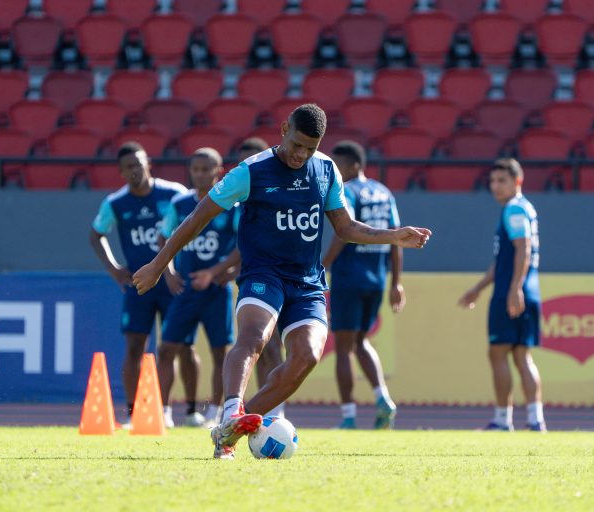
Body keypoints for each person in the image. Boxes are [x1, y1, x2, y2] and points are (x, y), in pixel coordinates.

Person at [132, 104, 431, 459]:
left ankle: (232, 428)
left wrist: (393, 236)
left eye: (311, 147)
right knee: (254, 338)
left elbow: (346, 228)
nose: (301, 154)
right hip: (264, 275)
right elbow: (199, 216)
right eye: (297, 144)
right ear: (284, 128)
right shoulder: (251, 172)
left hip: (307, 282)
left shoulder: (326, 170)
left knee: (307, 355)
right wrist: (158, 263)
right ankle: (230, 409)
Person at [89, 142, 189, 427]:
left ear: (149, 163)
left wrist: (180, 265)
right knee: (135, 347)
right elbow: (96, 235)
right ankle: (134, 414)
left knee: (179, 346)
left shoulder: (174, 195)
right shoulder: (116, 203)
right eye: (129, 166)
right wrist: (114, 269)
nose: (136, 169)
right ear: (121, 171)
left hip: (172, 282)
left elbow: (194, 223)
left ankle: (172, 411)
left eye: (139, 163)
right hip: (139, 285)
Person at [458, 158, 546, 432]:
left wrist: (513, 289)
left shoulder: (514, 209)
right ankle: (535, 420)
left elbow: (523, 250)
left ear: (517, 182)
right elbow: (504, 260)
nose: (495, 186)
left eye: (502, 181)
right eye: (492, 181)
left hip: (513, 292)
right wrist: (478, 288)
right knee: (522, 356)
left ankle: (502, 420)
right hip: (527, 291)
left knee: (498, 354)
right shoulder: (526, 208)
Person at [322, 140, 403, 430]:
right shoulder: (384, 192)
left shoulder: (349, 191)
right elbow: (396, 238)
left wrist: (321, 266)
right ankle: (383, 397)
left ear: (354, 165)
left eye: (339, 166)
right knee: (360, 341)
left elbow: (345, 231)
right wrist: (397, 283)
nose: (336, 172)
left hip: (349, 277)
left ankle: (348, 416)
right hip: (376, 279)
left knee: (343, 348)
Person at [158, 148, 239, 428]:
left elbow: (244, 245)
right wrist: (168, 273)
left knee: (221, 352)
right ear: (190, 171)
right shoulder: (180, 204)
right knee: (168, 348)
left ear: (219, 172)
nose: (201, 174)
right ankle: (164, 411)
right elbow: (162, 238)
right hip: (185, 290)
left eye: (207, 169)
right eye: (196, 169)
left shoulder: (231, 205)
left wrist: (216, 272)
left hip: (216, 290)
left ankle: (215, 412)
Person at [236, 137, 287, 419]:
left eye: (255, 158)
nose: (251, 165)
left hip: (284, 277)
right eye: (245, 160)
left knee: (273, 345)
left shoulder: (281, 189)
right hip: (253, 277)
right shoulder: (240, 197)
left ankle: (275, 411)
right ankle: (253, 410)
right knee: (254, 345)